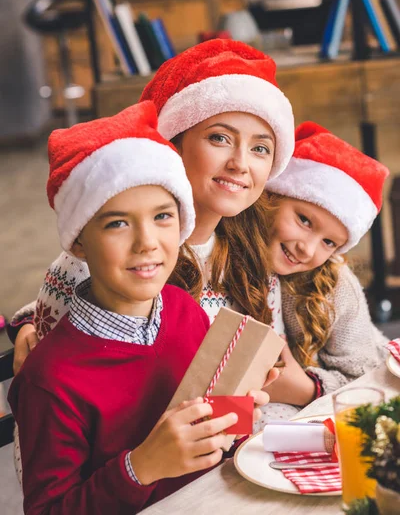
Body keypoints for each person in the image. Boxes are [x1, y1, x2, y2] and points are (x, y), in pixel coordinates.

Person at [8, 101, 269, 515]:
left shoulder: (185, 309)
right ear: (79, 242)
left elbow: (211, 446)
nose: (147, 242)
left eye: (163, 217)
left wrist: (234, 411)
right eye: (118, 223)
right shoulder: (50, 381)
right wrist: (139, 468)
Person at [9, 38, 295, 362]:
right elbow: (59, 384)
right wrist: (27, 324)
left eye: (260, 148)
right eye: (220, 138)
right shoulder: (89, 260)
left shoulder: (253, 245)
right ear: (173, 144)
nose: (240, 163)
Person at [253, 121, 389, 430]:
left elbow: (367, 376)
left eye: (329, 242)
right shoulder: (236, 263)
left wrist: (306, 388)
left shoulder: (335, 283)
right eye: (304, 220)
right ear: (271, 198)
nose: (307, 249)